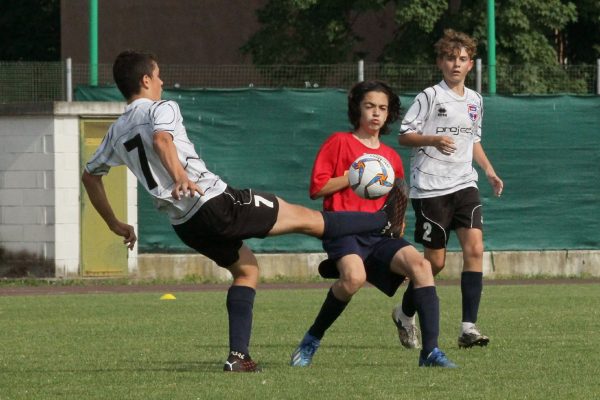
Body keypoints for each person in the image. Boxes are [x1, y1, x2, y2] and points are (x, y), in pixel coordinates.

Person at [81, 50, 403, 373]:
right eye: (158, 74)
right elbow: (163, 140)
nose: (163, 81)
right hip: (215, 203)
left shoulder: (116, 130)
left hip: (185, 223)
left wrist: (115, 224)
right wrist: (181, 177)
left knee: (247, 270)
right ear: (145, 80)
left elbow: (90, 176)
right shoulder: (162, 108)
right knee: (306, 219)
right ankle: (382, 220)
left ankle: (238, 357)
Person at [289, 80, 457, 368]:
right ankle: (311, 339)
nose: (376, 113)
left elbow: (399, 193)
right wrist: (356, 175)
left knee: (422, 266)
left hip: (379, 234)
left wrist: (399, 223)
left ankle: (430, 351)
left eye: (382, 108)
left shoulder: (390, 157)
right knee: (352, 279)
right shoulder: (338, 142)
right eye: (369, 106)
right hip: (343, 229)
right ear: (358, 109)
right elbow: (318, 188)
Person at [393, 29, 504, 349]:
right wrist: (433, 139)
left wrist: (488, 170)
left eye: (463, 59)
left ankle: (468, 327)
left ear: (471, 65)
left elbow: (474, 141)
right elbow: (404, 136)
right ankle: (403, 313)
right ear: (441, 62)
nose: (456, 64)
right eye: (451, 58)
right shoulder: (429, 96)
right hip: (430, 189)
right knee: (435, 264)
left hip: (464, 184)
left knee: (475, 249)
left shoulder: (475, 100)